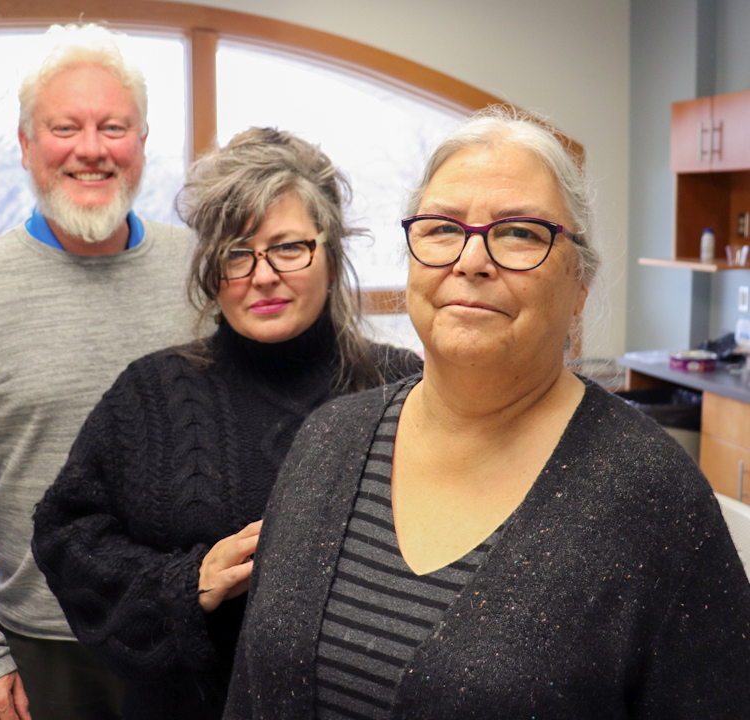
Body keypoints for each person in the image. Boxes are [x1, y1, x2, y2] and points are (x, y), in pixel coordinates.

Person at [224, 109, 750, 719]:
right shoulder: (327, 442)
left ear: (580, 284)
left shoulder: (654, 497)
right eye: (443, 228)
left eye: (520, 233)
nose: (471, 260)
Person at [31, 127, 422, 720]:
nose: (262, 275)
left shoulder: (401, 390)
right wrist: (184, 586)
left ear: (332, 252)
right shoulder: (151, 393)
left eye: (289, 247)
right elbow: (66, 536)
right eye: (237, 254)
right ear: (211, 272)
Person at [0, 23, 192, 720]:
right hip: (40, 652)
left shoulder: (198, 270)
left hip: (187, 634)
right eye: (66, 127)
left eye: (114, 127)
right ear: (27, 145)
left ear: (142, 145)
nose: (91, 148)